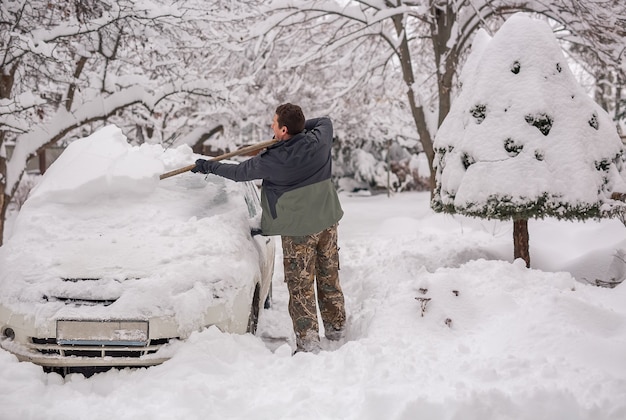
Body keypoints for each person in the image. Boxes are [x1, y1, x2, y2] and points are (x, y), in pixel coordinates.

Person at [191, 103, 346, 354]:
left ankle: (308, 342)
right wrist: (294, 131)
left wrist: (208, 166)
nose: (270, 127)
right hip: (328, 222)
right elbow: (324, 120)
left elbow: (238, 172)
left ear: (283, 129)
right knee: (329, 275)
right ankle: (337, 327)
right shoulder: (320, 140)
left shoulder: (274, 159)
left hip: (299, 231)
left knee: (300, 285)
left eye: (274, 124)